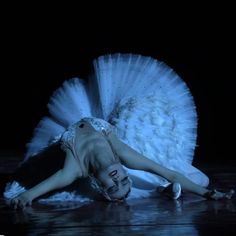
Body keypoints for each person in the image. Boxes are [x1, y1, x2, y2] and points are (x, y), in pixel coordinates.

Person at [4, 53, 234, 209]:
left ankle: (162, 189)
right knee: (168, 157)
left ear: (97, 183)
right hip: (111, 120)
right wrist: (208, 194)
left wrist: (25, 197)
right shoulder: (122, 154)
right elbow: (168, 172)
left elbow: (31, 193)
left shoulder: (73, 170)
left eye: (112, 186)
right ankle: (164, 189)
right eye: (124, 180)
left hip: (84, 122)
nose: (118, 179)